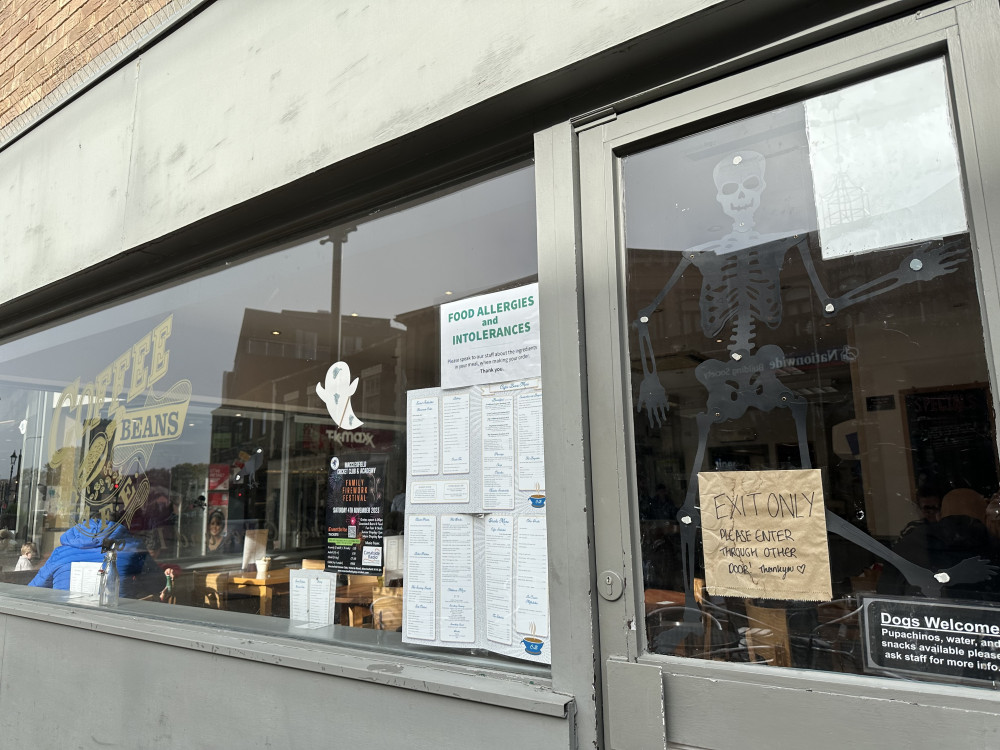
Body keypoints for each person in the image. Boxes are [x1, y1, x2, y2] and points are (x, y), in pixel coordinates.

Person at [878, 488, 1000, 601]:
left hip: (919, 620)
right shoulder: (993, 547)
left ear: (939, 515)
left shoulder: (911, 542)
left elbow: (885, 594)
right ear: (985, 516)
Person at [28, 516, 157, 597]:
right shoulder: (132, 549)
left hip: (65, 620)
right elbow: (157, 583)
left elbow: (33, 590)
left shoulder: (59, 553)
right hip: (114, 623)